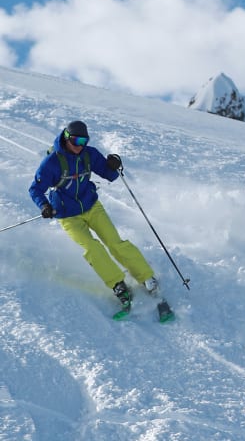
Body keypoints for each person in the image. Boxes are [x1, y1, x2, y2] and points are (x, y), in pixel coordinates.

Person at [29, 120, 158, 311]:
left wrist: (114, 166)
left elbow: (109, 174)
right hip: (68, 215)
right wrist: (44, 205)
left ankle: (146, 276)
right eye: (76, 140)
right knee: (92, 248)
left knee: (115, 242)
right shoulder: (52, 162)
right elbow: (35, 189)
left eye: (84, 141)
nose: (80, 145)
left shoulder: (89, 154)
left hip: (92, 207)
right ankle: (118, 284)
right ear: (66, 138)